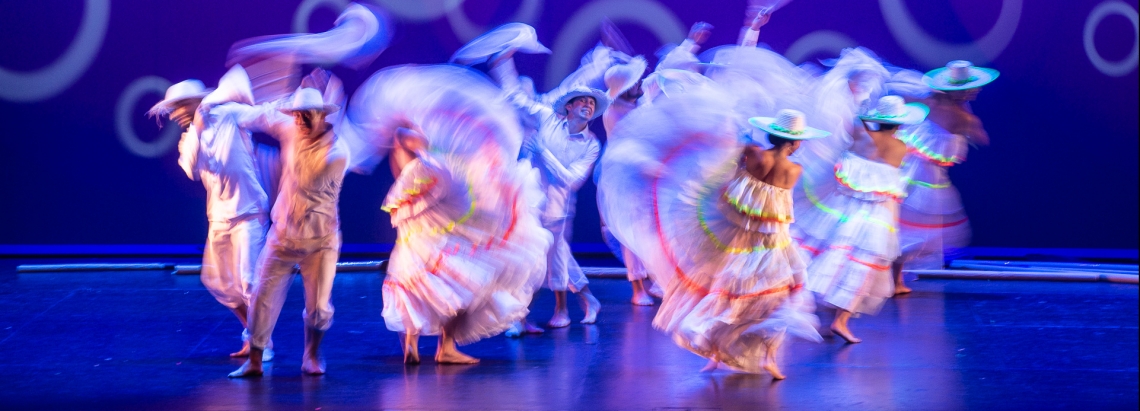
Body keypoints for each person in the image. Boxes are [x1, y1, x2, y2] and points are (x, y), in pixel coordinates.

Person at [597, 83, 823, 378]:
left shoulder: (752, 154)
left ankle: (716, 352)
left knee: (728, 296)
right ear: (795, 143)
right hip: (773, 243)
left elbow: (725, 167)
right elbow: (778, 206)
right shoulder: (795, 171)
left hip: (739, 238)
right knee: (776, 299)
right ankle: (768, 355)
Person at [147, 67, 275, 362]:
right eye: (173, 109)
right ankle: (253, 333)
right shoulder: (191, 137)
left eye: (180, 106)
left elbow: (260, 116)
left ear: (195, 101)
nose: (175, 114)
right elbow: (190, 170)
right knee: (217, 280)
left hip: (249, 211)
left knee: (249, 282)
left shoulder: (229, 114)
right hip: (219, 216)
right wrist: (196, 129)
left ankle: (262, 345)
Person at [229, 86, 348, 377]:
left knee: (319, 306)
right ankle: (255, 361)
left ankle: (312, 355)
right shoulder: (292, 127)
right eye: (296, 116)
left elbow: (308, 179)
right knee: (261, 297)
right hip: (282, 235)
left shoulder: (336, 153)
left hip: (320, 240)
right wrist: (225, 110)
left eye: (307, 116)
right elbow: (264, 115)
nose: (299, 122)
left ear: (321, 116)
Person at [488, 48, 609, 328]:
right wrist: (502, 62)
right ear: (568, 107)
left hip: (556, 209)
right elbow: (517, 99)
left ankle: (557, 309)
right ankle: (538, 313)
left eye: (591, 103)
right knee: (529, 256)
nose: (588, 106)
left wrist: (543, 152)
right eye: (582, 101)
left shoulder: (591, 145)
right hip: (527, 201)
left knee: (553, 257)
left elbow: (571, 180)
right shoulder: (545, 118)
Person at [794, 95, 929, 343]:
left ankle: (832, 318)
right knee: (861, 267)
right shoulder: (900, 147)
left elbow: (854, 122)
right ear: (899, 123)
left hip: (844, 211)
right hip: (876, 216)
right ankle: (840, 320)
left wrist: (865, 111)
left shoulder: (861, 136)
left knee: (838, 258)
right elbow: (891, 186)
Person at [887, 61, 998, 293]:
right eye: (972, 88)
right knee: (918, 228)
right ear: (962, 90)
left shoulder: (930, 100)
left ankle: (895, 278)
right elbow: (982, 138)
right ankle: (894, 278)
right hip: (926, 179)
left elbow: (905, 102)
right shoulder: (965, 119)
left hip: (909, 169)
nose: (976, 92)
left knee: (904, 225)